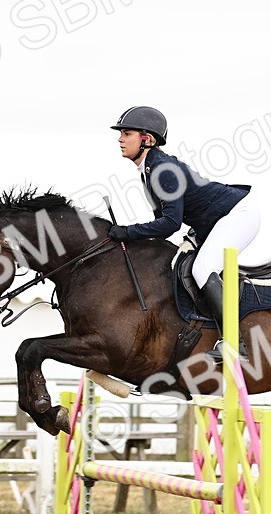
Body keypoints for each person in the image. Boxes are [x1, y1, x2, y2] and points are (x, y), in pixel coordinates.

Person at [107, 106, 258, 362]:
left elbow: (170, 224)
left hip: (236, 216)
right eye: (121, 133)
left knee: (202, 269)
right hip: (211, 222)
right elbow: (161, 223)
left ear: (147, 139)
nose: (120, 139)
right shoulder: (149, 170)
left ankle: (235, 343)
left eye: (127, 133)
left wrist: (127, 232)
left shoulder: (162, 169)